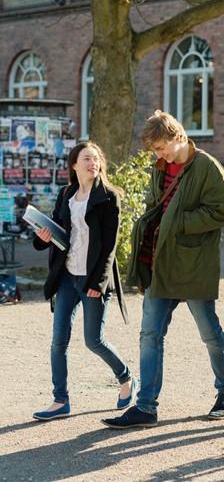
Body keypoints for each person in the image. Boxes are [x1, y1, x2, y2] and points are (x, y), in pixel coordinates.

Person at [102, 110, 224, 429]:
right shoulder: (160, 167)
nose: (158, 155)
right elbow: (156, 207)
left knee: (209, 333)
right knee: (149, 335)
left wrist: (180, 223)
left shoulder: (206, 166)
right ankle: (146, 407)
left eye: (161, 148)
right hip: (160, 264)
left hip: (193, 264)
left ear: (178, 137)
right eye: (155, 150)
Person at [32, 141, 134, 421]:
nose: (93, 163)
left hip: (92, 280)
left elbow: (109, 247)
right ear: (74, 165)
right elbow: (57, 232)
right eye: (87, 158)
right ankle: (60, 400)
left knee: (93, 340)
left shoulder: (109, 197)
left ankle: (126, 377)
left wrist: (98, 284)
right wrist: (42, 238)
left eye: (96, 158)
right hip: (67, 276)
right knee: (58, 341)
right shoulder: (66, 195)